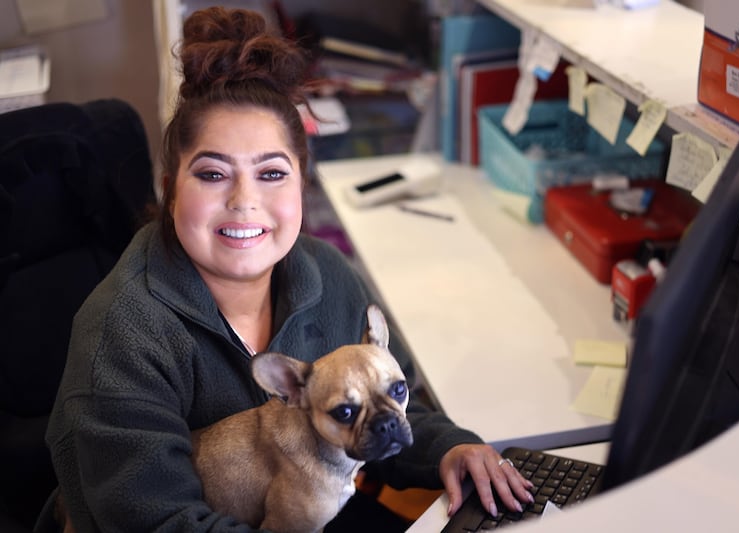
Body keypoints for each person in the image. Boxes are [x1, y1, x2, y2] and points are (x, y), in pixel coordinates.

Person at [39, 6, 533, 532]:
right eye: (212, 173)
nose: (244, 201)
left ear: (302, 185)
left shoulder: (325, 272)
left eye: (272, 172)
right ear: (171, 187)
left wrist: (449, 449)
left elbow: (395, 393)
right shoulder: (120, 335)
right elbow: (159, 522)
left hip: (305, 503)